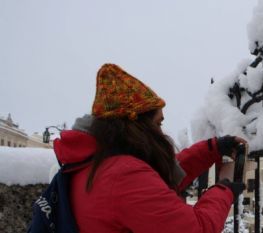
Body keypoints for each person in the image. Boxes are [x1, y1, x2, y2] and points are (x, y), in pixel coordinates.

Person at [53, 63, 245, 233]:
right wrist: (223, 191)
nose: (161, 133)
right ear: (138, 125)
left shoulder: (95, 164)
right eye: (158, 123)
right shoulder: (123, 176)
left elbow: (159, 179)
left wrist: (212, 149)